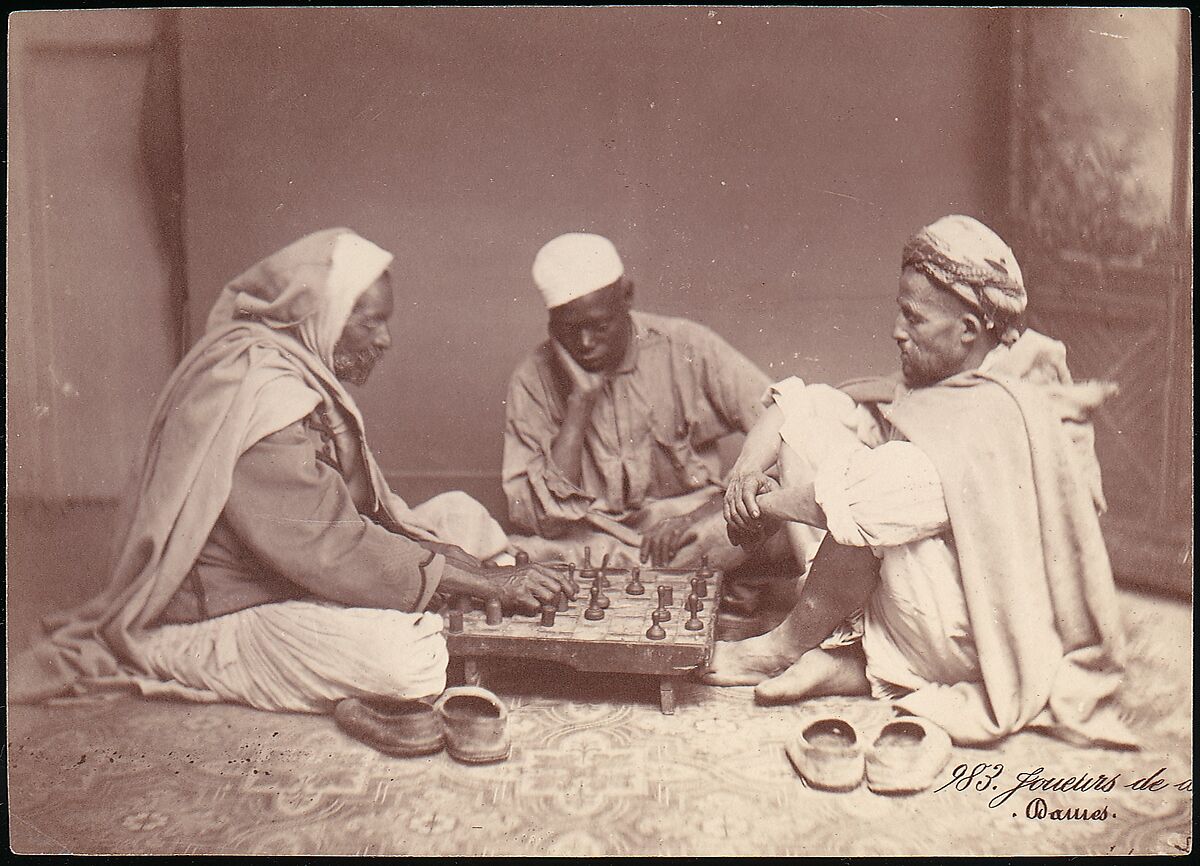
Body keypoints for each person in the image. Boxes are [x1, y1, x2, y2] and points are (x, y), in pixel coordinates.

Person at [10, 228, 577, 714]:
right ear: (322, 317)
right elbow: (329, 544)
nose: (386, 340)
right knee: (407, 662)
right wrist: (484, 580)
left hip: (292, 573)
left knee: (459, 514)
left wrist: (465, 568)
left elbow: (361, 514)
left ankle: (396, 634)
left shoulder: (294, 370)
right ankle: (175, 658)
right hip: (222, 613)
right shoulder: (257, 391)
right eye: (372, 322)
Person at [703, 215, 1135, 748]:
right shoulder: (948, 383)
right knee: (820, 430)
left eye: (914, 318)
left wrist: (768, 507)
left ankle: (787, 646)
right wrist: (747, 472)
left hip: (981, 635)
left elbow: (866, 503)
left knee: (861, 507)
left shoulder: (994, 410)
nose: (896, 331)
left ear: (969, 331)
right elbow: (806, 407)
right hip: (929, 605)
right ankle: (847, 660)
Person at [502, 232, 816, 610]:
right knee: (520, 553)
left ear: (627, 296)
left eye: (599, 326)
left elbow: (786, 425)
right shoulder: (532, 378)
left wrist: (695, 516)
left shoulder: (686, 345)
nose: (585, 343)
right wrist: (579, 403)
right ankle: (687, 584)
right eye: (570, 330)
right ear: (552, 324)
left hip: (690, 530)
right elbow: (539, 520)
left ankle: (651, 580)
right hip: (592, 539)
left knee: (763, 528)